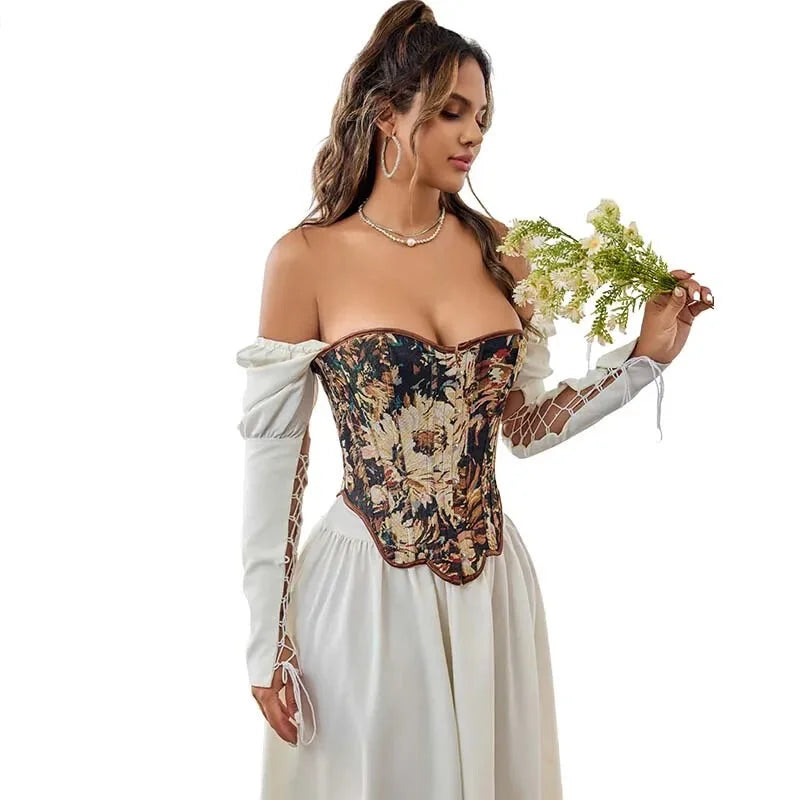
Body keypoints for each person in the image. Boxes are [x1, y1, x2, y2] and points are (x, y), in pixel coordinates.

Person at [234, 3, 714, 798]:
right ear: (387, 115)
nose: (473, 135)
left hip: (491, 591)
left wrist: (641, 360)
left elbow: (522, 428)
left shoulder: (507, 254)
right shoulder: (306, 258)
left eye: (482, 117)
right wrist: (267, 641)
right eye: (451, 112)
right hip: (364, 599)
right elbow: (274, 460)